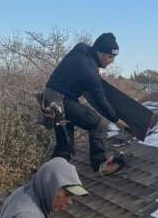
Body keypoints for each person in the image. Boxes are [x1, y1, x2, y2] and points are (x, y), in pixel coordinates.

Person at [43, 32, 128, 176]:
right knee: (98, 123)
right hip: (59, 101)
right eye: (110, 57)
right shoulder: (89, 71)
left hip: (52, 97)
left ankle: (51, 178)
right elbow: (101, 102)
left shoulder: (82, 49)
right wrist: (117, 121)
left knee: (65, 145)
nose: (111, 61)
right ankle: (99, 164)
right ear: (99, 53)